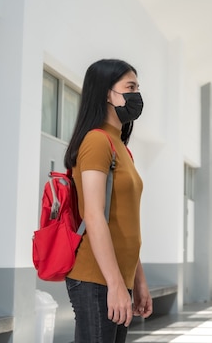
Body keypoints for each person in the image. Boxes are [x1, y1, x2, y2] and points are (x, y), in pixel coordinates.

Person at [63, 59, 152, 342]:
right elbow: (93, 215)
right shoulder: (97, 141)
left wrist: (138, 281)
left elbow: (124, 224)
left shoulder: (121, 147)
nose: (136, 95)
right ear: (106, 93)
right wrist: (114, 284)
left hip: (117, 277)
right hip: (96, 277)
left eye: (137, 88)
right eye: (130, 87)